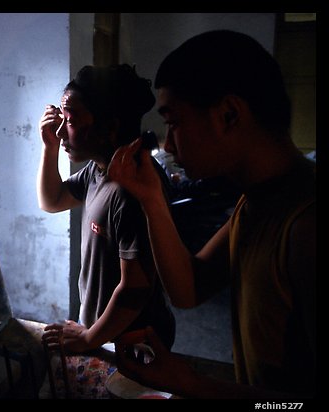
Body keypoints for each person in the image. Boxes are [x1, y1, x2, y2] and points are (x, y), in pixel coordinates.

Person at [108, 30, 315, 398]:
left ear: (228, 115)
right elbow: (189, 289)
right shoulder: (256, 202)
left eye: (174, 122)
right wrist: (152, 199)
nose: (169, 143)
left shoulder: (306, 222)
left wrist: (191, 385)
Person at [37, 64, 176, 354]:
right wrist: (50, 149)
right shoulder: (98, 170)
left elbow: (135, 289)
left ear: (109, 128)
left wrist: (88, 339)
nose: (61, 132)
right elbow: (52, 200)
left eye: (71, 122)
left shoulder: (132, 189)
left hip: (132, 343)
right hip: (104, 334)